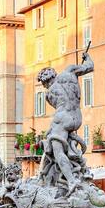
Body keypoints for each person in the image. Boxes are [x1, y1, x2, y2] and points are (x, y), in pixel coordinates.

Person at [36, 49, 93, 191]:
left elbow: (58, 109)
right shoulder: (70, 71)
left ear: (45, 81)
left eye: (43, 84)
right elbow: (90, 66)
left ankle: (71, 181)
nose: (45, 87)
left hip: (62, 118)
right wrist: (87, 57)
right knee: (55, 138)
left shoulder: (49, 94)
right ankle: (70, 165)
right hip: (77, 118)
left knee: (57, 150)